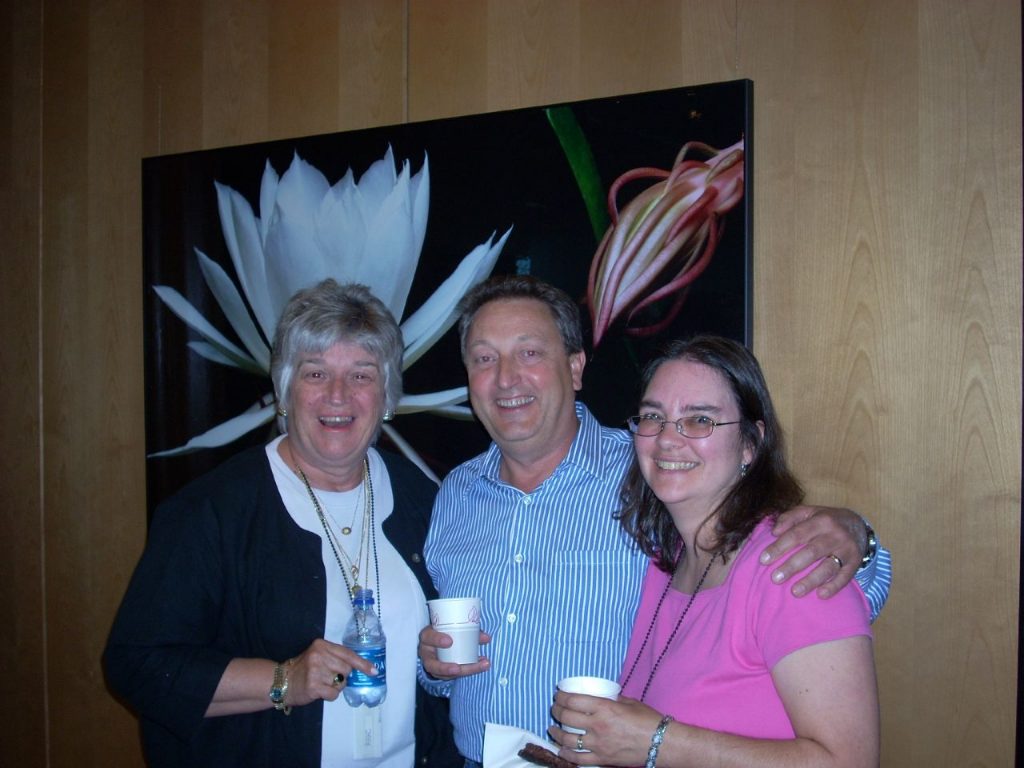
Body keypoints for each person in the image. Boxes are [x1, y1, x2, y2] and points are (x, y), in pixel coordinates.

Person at [419, 275, 891, 766]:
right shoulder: (455, 494)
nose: (506, 378)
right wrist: (432, 664)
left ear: (576, 367)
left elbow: (817, 588)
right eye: (484, 358)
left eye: (530, 353)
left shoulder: (651, 476)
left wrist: (858, 537)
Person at [103, 279, 458, 767]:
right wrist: (284, 680)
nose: (338, 395)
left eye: (361, 375)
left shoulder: (426, 500)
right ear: (284, 390)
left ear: (387, 395)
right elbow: (137, 665)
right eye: (315, 374)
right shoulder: (209, 513)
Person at [549, 335, 878, 766]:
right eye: (653, 417)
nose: (667, 439)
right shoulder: (663, 568)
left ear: (750, 444)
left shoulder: (790, 566)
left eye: (700, 420)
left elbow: (850, 762)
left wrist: (655, 743)